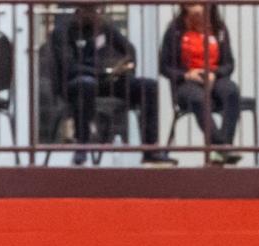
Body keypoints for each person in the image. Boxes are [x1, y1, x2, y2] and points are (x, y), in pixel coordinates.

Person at [53, 4, 176, 165]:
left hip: (106, 81)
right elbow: (69, 67)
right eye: (90, 11)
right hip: (77, 83)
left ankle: (150, 149)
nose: (95, 15)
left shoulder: (105, 28)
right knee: (85, 84)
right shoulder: (63, 32)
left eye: (98, 11)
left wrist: (122, 69)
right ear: (79, 12)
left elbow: (129, 51)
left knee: (148, 86)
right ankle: (82, 146)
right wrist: (104, 70)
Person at [159, 4, 242, 163]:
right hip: (187, 82)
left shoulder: (219, 28)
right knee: (198, 98)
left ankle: (224, 146)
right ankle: (221, 146)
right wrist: (186, 74)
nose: (197, 10)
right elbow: (164, 66)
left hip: (214, 78)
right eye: (191, 5)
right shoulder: (175, 29)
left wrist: (214, 74)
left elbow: (229, 64)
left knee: (231, 91)